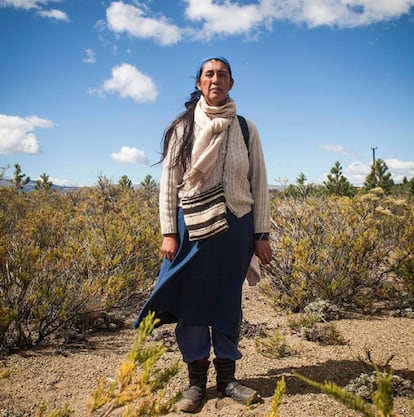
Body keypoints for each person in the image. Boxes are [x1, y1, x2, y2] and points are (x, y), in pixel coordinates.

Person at [134, 56, 272, 413]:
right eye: (209, 74)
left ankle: (227, 380)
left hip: (237, 225)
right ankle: (196, 385)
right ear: (199, 83)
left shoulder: (245, 128)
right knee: (192, 303)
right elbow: (168, 183)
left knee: (228, 301)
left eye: (222, 74)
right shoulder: (183, 128)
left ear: (231, 83)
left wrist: (261, 234)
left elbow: (259, 183)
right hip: (191, 226)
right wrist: (169, 232)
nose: (215, 80)